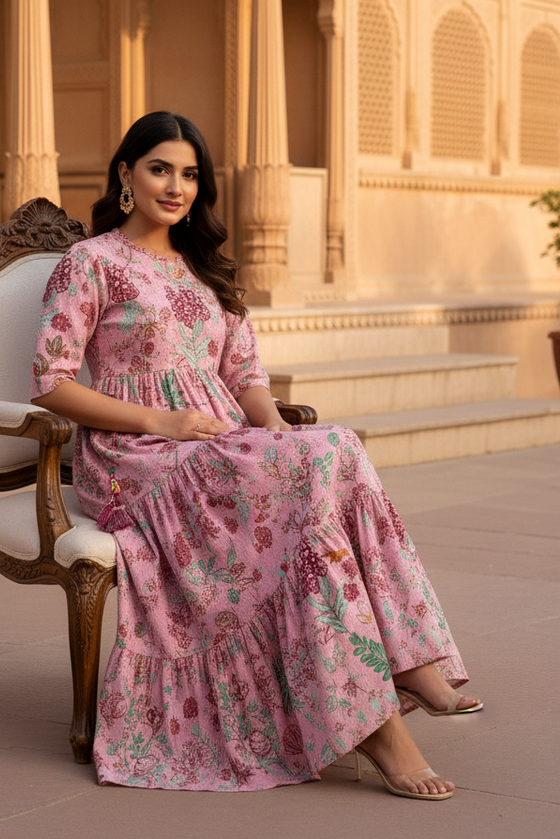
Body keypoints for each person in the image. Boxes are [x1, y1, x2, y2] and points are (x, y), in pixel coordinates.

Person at [30, 111, 482, 797]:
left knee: (332, 449)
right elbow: (53, 383)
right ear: (126, 173)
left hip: (221, 446)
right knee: (318, 463)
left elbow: (245, 377)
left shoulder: (206, 268)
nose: (175, 186)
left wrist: (277, 436)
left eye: (189, 174)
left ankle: (390, 679)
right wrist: (163, 419)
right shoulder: (90, 263)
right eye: (159, 168)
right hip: (135, 460)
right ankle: (387, 712)